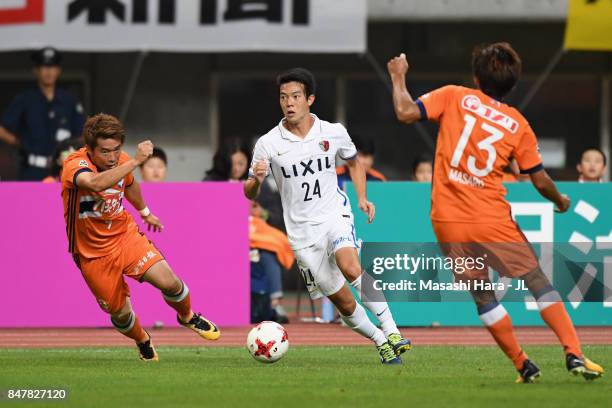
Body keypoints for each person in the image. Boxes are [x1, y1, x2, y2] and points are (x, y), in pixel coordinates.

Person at [388, 43, 604, 381]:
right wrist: (560, 201)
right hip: (491, 218)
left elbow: (403, 112)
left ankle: (523, 364)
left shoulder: (454, 96)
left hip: (449, 222)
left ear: (476, 77)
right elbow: (540, 179)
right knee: (536, 280)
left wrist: (398, 76)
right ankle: (573, 352)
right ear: (513, 84)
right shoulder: (517, 123)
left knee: (482, 293)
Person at [244, 68, 410, 364]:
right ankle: (380, 341)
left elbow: (354, 161)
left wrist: (361, 197)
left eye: (295, 96)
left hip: (335, 214)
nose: (289, 103)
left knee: (350, 265)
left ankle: (393, 330)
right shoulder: (269, 144)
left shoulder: (333, 132)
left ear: (310, 99)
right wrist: (255, 180)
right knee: (342, 300)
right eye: (283, 98)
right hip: (302, 234)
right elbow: (249, 194)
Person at [61, 113, 220, 361]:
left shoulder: (123, 162)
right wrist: (135, 160)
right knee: (120, 314)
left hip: (125, 236)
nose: (112, 157)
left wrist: (145, 212)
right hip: (92, 255)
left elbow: (130, 183)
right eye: (104, 151)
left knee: (170, 282)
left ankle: (187, 316)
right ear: (90, 148)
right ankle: (142, 339)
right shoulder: (75, 165)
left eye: (116, 150)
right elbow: (94, 184)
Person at [0, 47, 84, 180]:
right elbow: (2, 130)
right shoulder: (25, 99)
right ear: (36, 70)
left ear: (58, 70)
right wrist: (20, 143)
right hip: (31, 170)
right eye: (44, 67)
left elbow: (81, 134)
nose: (48, 71)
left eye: (52, 67)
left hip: (63, 169)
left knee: (65, 201)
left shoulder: (69, 100)